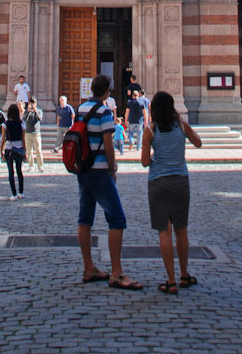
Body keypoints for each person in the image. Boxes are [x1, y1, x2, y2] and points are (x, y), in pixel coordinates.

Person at [76, 74, 142, 290]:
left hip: (83, 170)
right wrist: (112, 169)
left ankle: (88, 267)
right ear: (106, 92)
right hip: (100, 171)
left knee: (85, 219)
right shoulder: (104, 112)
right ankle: (117, 272)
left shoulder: (80, 110)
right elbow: (108, 143)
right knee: (117, 219)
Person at [141, 90, 203, 294]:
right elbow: (199, 142)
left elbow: (144, 162)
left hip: (158, 182)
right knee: (181, 230)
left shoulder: (151, 129)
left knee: (164, 231)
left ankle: (171, 280)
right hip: (180, 181)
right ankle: (184, 274)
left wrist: (154, 155)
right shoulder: (182, 126)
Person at [0, 103, 26, 200]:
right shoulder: (21, 123)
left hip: (9, 148)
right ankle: (21, 192)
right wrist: (25, 151)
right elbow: (23, 139)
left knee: (11, 171)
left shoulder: (5, 124)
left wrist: (1, 150)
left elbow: (3, 139)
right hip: (19, 148)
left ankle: (14, 194)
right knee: (19, 171)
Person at [23, 97, 44, 171]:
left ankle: (40, 166)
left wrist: (35, 111)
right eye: (31, 103)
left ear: (36, 104)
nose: (32, 105)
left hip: (36, 133)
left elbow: (40, 118)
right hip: (28, 133)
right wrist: (28, 112)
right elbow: (24, 120)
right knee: (29, 151)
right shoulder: (26, 112)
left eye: (33, 103)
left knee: (38, 150)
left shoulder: (39, 111)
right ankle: (31, 166)